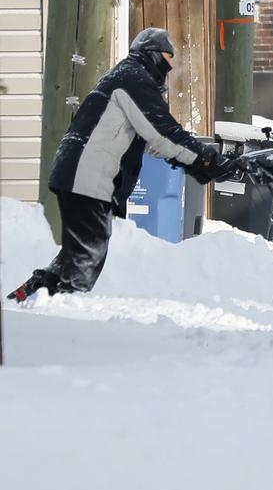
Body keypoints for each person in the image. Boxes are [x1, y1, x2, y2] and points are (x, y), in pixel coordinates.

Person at [7, 28, 234, 303]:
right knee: (86, 259)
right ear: (152, 54)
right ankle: (63, 313)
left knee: (76, 256)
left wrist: (194, 164)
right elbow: (162, 133)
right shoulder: (134, 79)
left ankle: (28, 296)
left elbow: (151, 141)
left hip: (78, 172)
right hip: (87, 176)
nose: (170, 66)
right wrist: (204, 157)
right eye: (167, 57)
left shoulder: (124, 76)